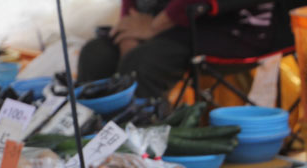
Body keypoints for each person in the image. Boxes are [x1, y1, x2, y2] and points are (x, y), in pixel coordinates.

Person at [77, 0, 305, 98]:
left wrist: (154, 26)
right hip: (171, 21)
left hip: (240, 25)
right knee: (96, 54)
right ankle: (94, 141)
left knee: (143, 62)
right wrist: (127, 35)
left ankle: (143, 150)